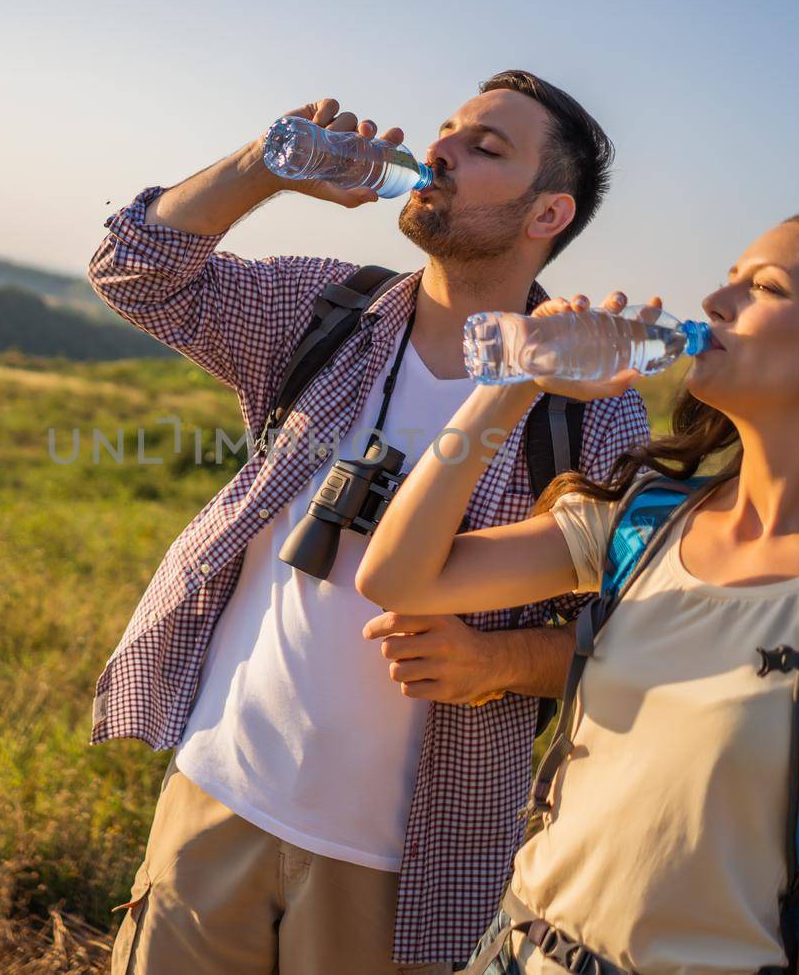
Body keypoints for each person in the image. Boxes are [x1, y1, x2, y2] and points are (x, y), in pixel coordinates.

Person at [88, 72, 651, 974]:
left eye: (485, 149)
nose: (440, 154)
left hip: (408, 866)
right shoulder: (326, 311)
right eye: (448, 131)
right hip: (215, 794)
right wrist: (264, 166)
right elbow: (135, 268)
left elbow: (638, 633)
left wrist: (503, 660)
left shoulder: (592, 405)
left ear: (549, 214)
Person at [354, 216, 799, 974]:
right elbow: (397, 576)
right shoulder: (643, 520)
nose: (716, 301)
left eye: (764, 287)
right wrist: (513, 383)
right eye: (729, 277)